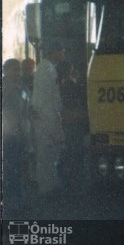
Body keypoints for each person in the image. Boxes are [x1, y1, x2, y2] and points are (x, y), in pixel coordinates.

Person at [30, 41, 66, 196]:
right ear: (53, 52)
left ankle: (50, 183)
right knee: (46, 153)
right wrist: (45, 117)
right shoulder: (45, 69)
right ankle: (46, 187)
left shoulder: (49, 68)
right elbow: (42, 97)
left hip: (49, 116)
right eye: (61, 51)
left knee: (51, 152)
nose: (63, 54)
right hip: (45, 118)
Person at [56, 61, 88, 189]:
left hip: (67, 120)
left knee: (69, 150)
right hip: (74, 119)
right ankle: (74, 180)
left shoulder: (60, 84)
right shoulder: (70, 84)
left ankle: (68, 178)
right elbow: (76, 101)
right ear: (69, 70)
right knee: (75, 151)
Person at [2, 58, 28, 209]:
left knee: (18, 167)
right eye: (15, 69)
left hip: (19, 133)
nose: (18, 72)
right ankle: (12, 201)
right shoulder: (5, 87)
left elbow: (25, 106)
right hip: (7, 134)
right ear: (7, 70)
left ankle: (17, 199)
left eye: (19, 69)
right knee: (10, 168)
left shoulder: (22, 87)